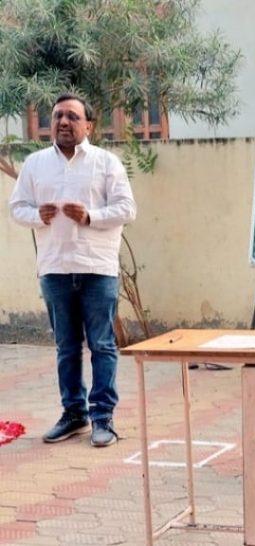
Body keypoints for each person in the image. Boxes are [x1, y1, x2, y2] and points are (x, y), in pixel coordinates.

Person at [8, 93, 137, 447]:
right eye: (57, 116)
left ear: (89, 125)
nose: (63, 122)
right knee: (66, 347)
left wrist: (91, 216)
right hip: (55, 268)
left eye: (72, 117)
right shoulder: (35, 164)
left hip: (97, 267)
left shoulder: (106, 163)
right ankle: (73, 414)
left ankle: (103, 419)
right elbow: (17, 207)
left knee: (102, 345)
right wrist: (38, 216)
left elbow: (127, 209)